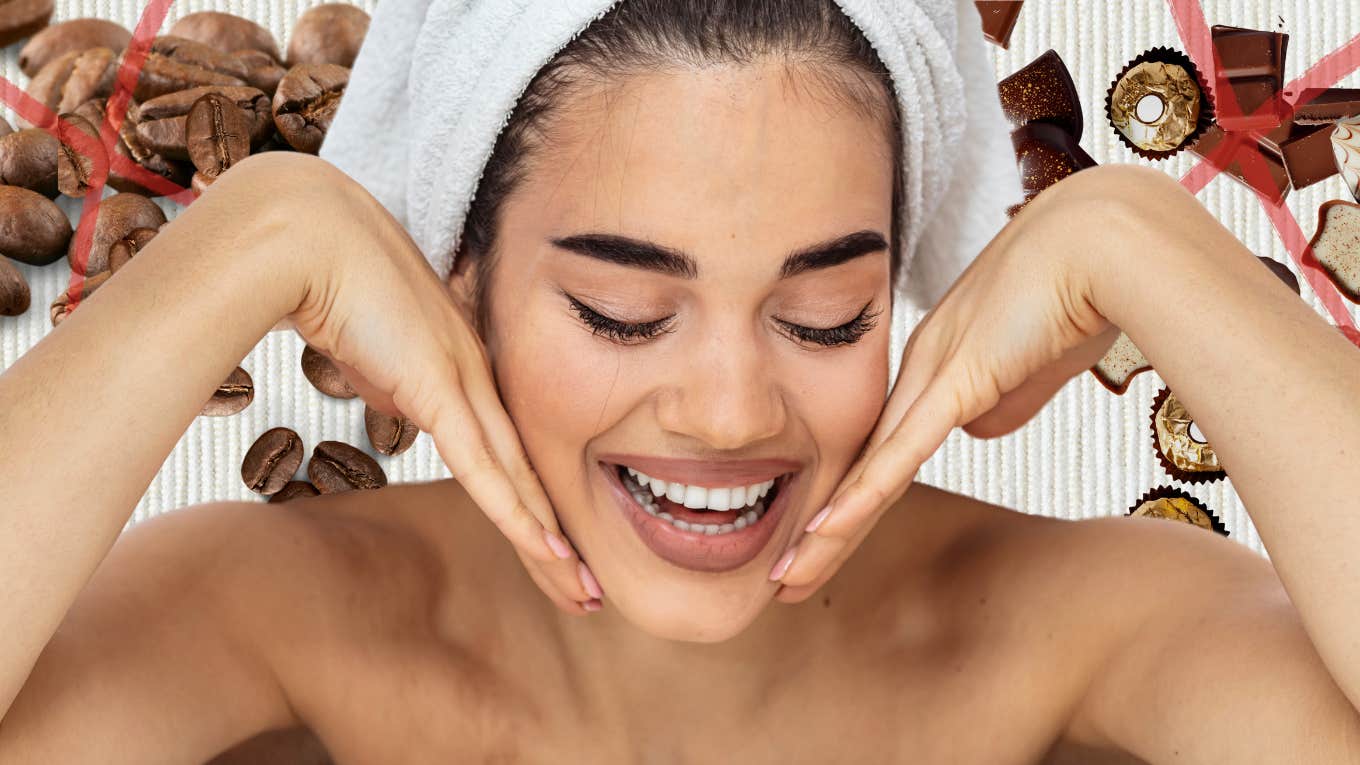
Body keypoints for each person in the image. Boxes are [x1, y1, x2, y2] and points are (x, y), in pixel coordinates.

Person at [2, 1, 1360, 762]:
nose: (729, 410)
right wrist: (256, 235)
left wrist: (1139, 240)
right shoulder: (270, 611)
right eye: (623, 310)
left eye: (826, 314)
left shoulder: (1075, 625)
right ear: (454, 280)